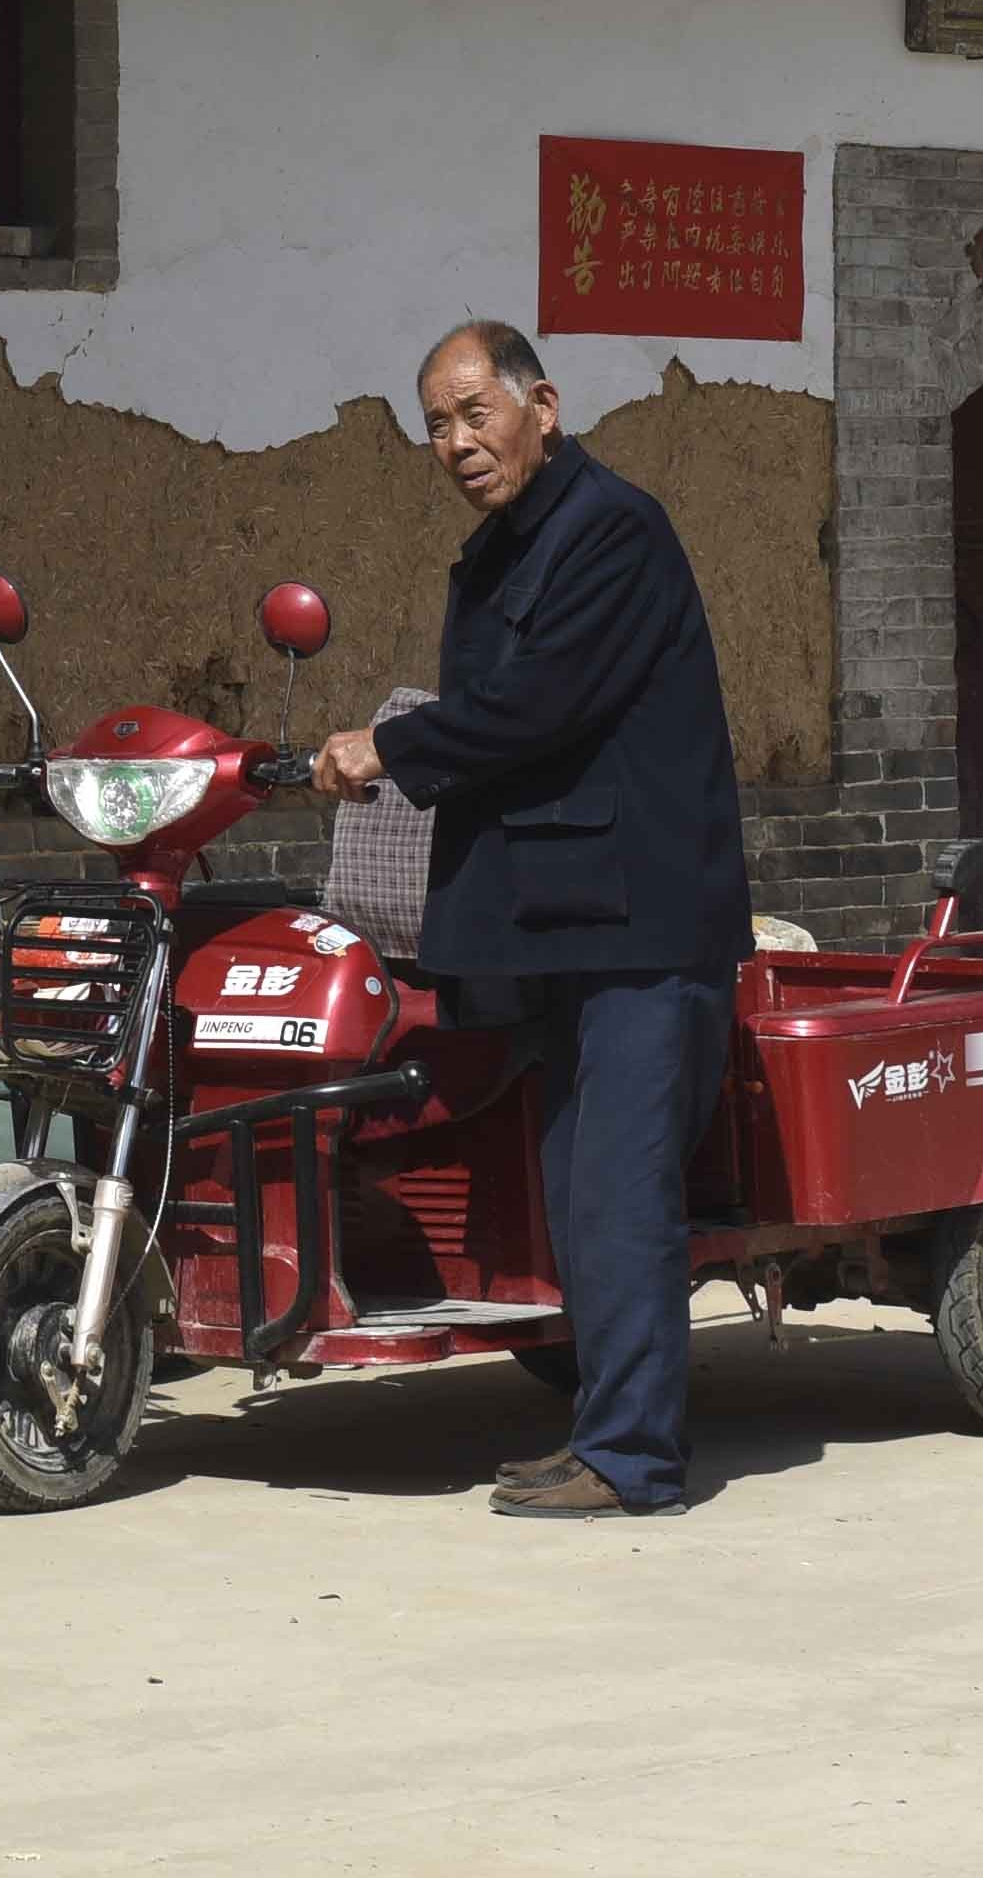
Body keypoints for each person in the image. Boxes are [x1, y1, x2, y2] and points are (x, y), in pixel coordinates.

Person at [309, 319, 754, 1517]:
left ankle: (635, 1460)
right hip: (565, 925)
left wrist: (388, 747)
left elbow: (535, 705)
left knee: (617, 1191)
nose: (456, 442)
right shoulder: (510, 544)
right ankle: (603, 1431)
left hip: (642, 931)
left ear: (541, 405)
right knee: (572, 1193)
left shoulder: (612, 528)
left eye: (474, 412)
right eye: (436, 426)